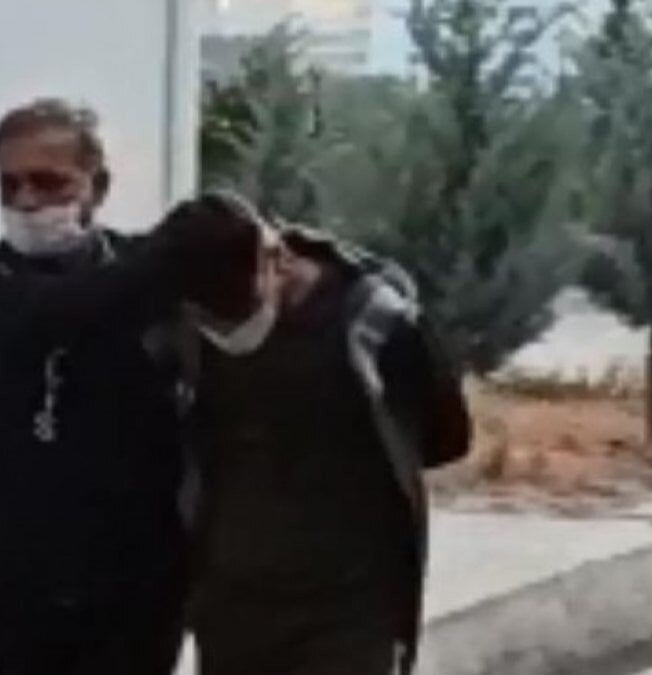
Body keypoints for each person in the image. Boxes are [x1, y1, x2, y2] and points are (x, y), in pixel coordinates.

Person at [0, 99, 209, 675]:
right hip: (22, 570)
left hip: (139, 569)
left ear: (98, 186)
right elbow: (45, 319)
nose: (25, 200)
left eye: (48, 182)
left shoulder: (145, 275)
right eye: (9, 183)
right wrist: (170, 253)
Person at [163, 192, 471, 675]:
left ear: (279, 261)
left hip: (347, 608)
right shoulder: (194, 318)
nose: (225, 328)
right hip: (232, 604)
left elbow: (443, 439)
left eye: (238, 309)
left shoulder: (377, 324)